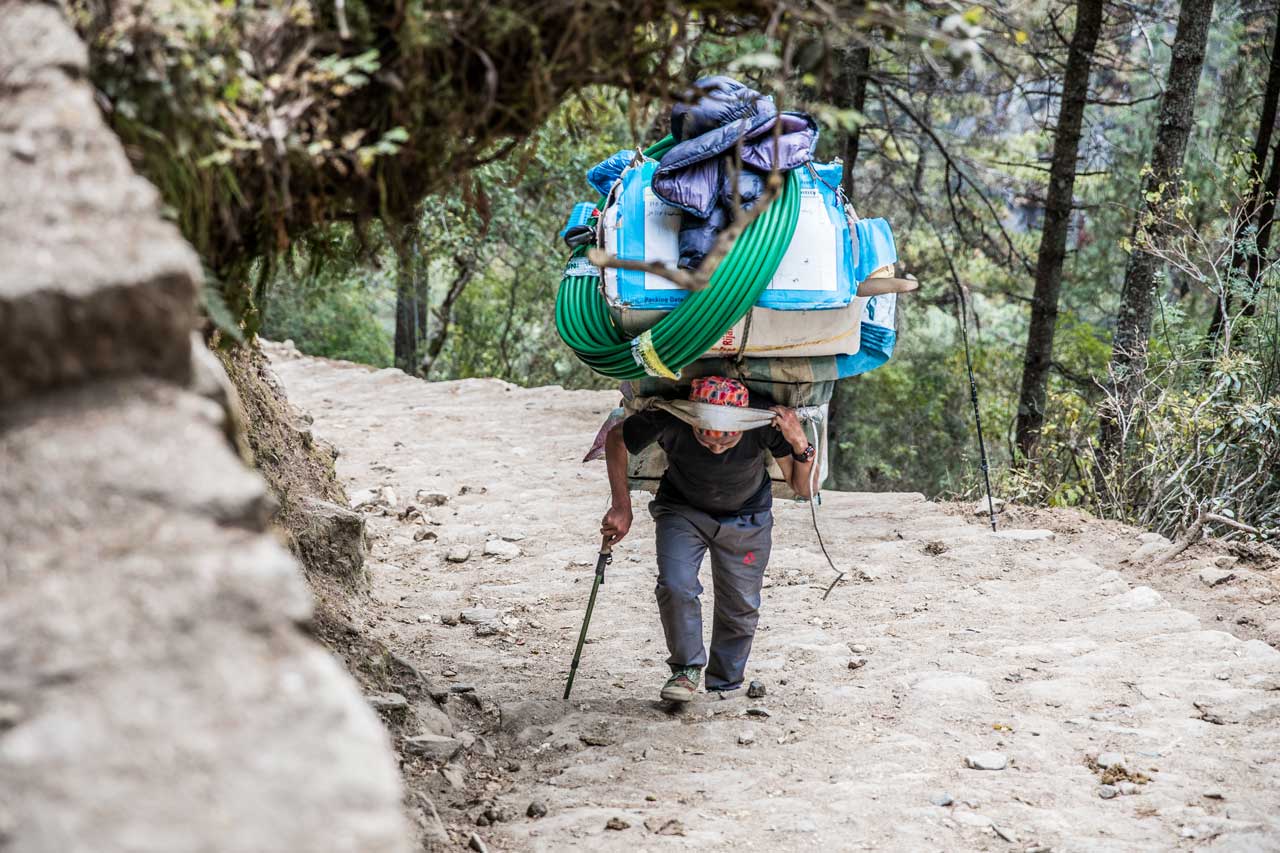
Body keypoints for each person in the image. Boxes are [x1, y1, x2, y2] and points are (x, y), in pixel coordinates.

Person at [600, 375, 816, 702]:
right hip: (681, 510)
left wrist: (800, 441)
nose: (716, 447)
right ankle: (685, 670)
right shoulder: (673, 417)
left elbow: (804, 488)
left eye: (726, 440)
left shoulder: (761, 420)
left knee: (741, 604)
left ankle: (724, 685)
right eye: (706, 437)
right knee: (675, 585)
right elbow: (616, 438)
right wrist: (621, 506)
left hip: (747, 517)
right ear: (693, 420)